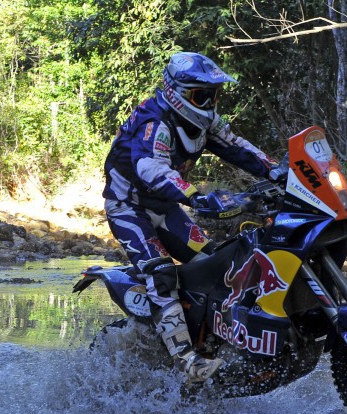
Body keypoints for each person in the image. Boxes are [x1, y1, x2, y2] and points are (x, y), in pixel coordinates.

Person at [102, 51, 286, 383]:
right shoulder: (154, 121)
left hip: (167, 209)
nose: (210, 102)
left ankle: (217, 337)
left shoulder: (204, 122)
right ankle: (188, 361)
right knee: (160, 272)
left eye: (214, 94)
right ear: (178, 92)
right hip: (129, 208)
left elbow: (236, 145)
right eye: (203, 95)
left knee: (216, 261)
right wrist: (195, 195)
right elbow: (150, 167)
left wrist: (278, 172)